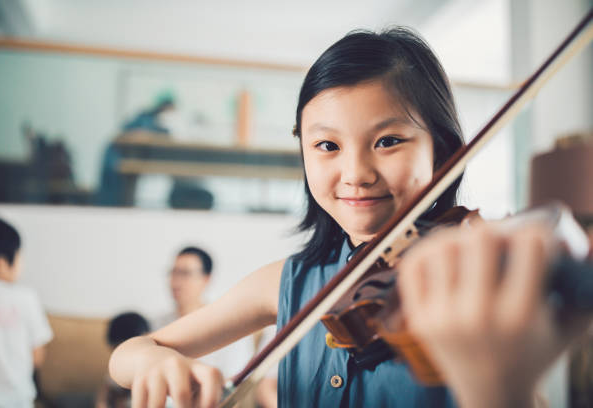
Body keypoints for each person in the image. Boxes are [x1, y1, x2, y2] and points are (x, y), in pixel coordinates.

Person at [108, 27, 592, 408]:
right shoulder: (290, 282)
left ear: (442, 152)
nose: (355, 173)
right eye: (327, 146)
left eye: (387, 141)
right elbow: (129, 353)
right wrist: (153, 362)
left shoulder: (471, 280)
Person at [0, 216, 53, 407]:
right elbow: (37, 356)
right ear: (1, 263)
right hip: (17, 399)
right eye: (20, 257)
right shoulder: (25, 298)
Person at [153, 247, 255, 380]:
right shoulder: (156, 324)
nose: (176, 281)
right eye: (173, 272)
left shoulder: (231, 326)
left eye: (184, 273)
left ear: (206, 279)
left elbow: (235, 382)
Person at [96, 312, 151, 408]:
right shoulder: (114, 375)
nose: (113, 357)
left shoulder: (151, 371)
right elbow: (102, 399)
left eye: (116, 350)